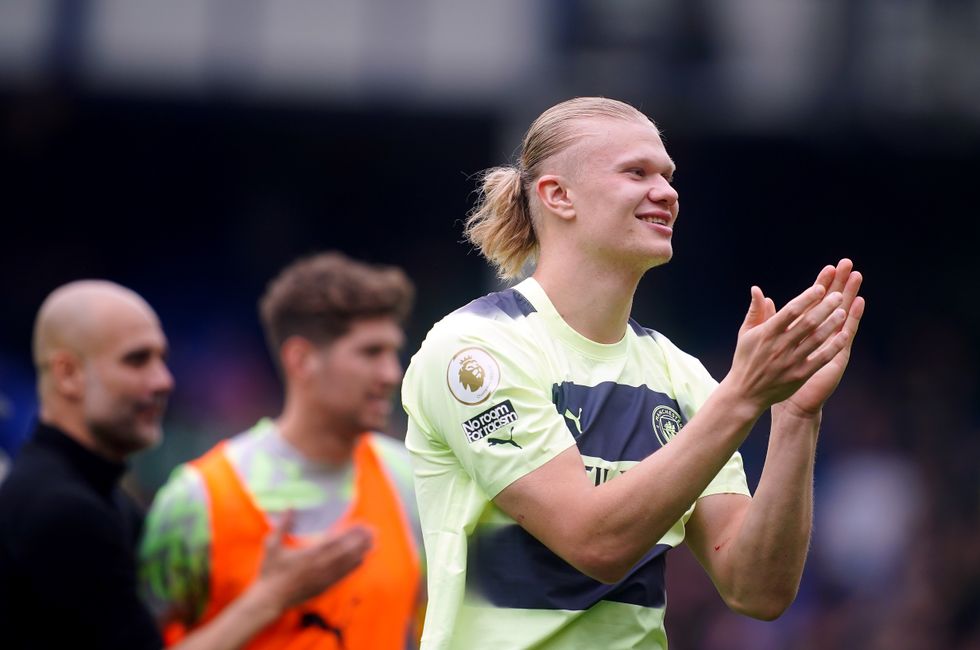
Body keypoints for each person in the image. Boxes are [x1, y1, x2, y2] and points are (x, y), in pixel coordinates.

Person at [401, 97, 865, 649]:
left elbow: (756, 590)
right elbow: (593, 543)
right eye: (637, 172)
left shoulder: (680, 374)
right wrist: (743, 396)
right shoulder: (476, 350)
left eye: (669, 176)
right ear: (558, 195)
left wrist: (794, 414)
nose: (667, 192)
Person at [0, 280, 368, 650]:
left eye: (162, 359)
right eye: (137, 360)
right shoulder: (60, 512)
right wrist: (272, 596)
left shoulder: (102, 499)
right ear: (68, 374)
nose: (163, 380)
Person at [141, 252, 424, 649]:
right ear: (301, 359)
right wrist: (268, 599)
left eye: (393, 352)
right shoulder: (198, 499)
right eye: (370, 352)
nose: (392, 373)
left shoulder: (411, 482)